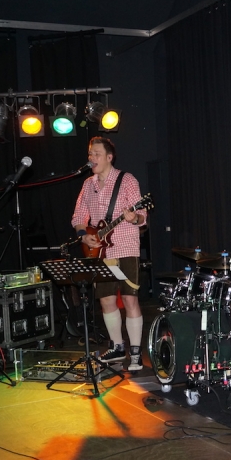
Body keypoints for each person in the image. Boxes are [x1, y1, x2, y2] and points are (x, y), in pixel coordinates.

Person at [71, 136, 148, 371]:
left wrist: (133, 217)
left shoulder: (127, 180)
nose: (91, 158)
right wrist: (83, 235)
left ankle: (136, 353)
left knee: (130, 299)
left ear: (109, 157)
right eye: (90, 154)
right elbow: (78, 216)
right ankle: (117, 347)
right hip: (100, 252)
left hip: (125, 247)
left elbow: (142, 217)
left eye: (96, 154)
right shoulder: (88, 184)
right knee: (105, 300)